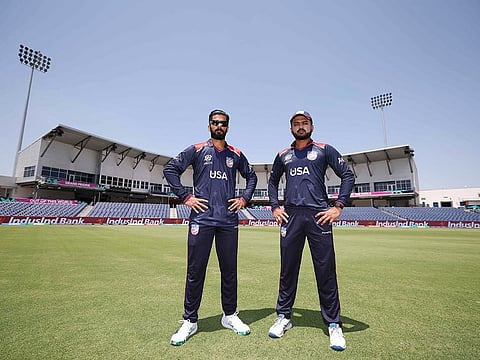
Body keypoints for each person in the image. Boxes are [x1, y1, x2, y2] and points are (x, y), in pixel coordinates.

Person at [163, 109, 258, 346]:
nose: (219, 126)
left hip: (227, 220)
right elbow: (170, 169)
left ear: (228, 127)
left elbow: (252, 176)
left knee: (229, 270)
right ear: (208, 126)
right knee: (196, 270)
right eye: (215, 123)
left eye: (223, 123)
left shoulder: (235, 154)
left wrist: (244, 198)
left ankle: (230, 316)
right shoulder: (196, 150)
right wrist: (185, 197)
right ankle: (190, 321)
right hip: (201, 219)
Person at [267, 110, 354, 351]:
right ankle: (284, 317)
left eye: (305, 123)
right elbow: (272, 182)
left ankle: (334, 324)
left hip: (319, 216)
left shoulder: (325, 150)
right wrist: (275, 207)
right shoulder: (283, 155)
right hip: (291, 217)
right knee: (288, 270)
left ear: (312, 126)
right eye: (296, 124)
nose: (301, 126)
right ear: (291, 129)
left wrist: (338, 206)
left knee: (325, 270)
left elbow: (347, 175)